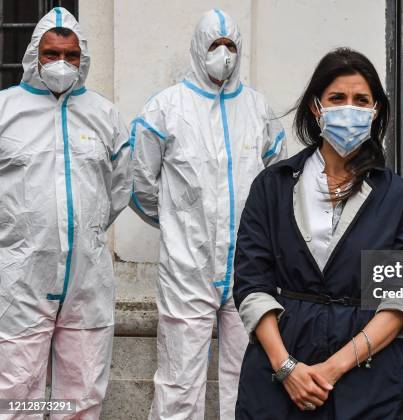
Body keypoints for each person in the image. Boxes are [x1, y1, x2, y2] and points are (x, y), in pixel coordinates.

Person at [233, 48, 403, 419]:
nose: (349, 109)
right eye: (337, 98)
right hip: (281, 374)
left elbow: (402, 300)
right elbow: (251, 284)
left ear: (375, 113)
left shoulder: (398, 198)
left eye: (361, 100)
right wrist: (287, 368)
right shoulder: (273, 187)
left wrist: (332, 369)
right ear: (316, 107)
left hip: (369, 381)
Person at [130, 9, 287, 420]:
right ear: (199, 48)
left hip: (250, 268)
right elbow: (140, 183)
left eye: (231, 46)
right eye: (215, 46)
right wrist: (176, 222)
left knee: (247, 377)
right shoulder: (165, 109)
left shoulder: (258, 110)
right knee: (179, 380)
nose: (224, 55)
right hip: (187, 268)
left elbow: (275, 184)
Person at [0, 7, 132, 419]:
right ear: (34, 56)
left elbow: (119, 189)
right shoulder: (6, 110)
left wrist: (85, 232)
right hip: (20, 278)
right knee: (17, 392)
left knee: (83, 394)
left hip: (87, 279)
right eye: (52, 53)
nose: (61, 63)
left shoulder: (105, 115)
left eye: (71, 55)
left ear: (83, 58)